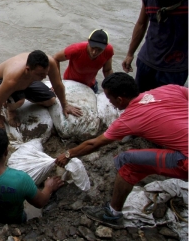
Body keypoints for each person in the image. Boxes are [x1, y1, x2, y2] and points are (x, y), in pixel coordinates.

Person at [55, 72, 188, 229]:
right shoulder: (169, 89)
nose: (110, 103)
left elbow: (94, 144)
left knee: (127, 161)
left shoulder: (129, 118)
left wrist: (68, 154)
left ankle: (112, 214)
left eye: (110, 99)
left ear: (120, 99)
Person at [121, 0, 188, 92]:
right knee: (139, 102)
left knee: (164, 108)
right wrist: (130, 53)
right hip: (147, 61)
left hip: (174, 67)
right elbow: (141, 23)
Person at [0, 50, 83, 129]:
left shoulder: (50, 63)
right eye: (40, 75)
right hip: (0, 80)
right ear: (28, 69)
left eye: (46, 74)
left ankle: (20, 93)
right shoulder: (12, 79)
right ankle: (10, 109)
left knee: (50, 100)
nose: (44, 77)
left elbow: (58, 85)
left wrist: (65, 105)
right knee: (19, 102)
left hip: (29, 81)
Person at [53, 29, 114, 93]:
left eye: (99, 50)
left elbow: (107, 70)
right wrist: (57, 83)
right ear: (88, 42)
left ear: (105, 47)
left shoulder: (108, 51)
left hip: (90, 85)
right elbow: (55, 58)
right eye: (92, 47)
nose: (94, 52)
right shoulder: (76, 50)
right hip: (70, 83)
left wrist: (112, 87)